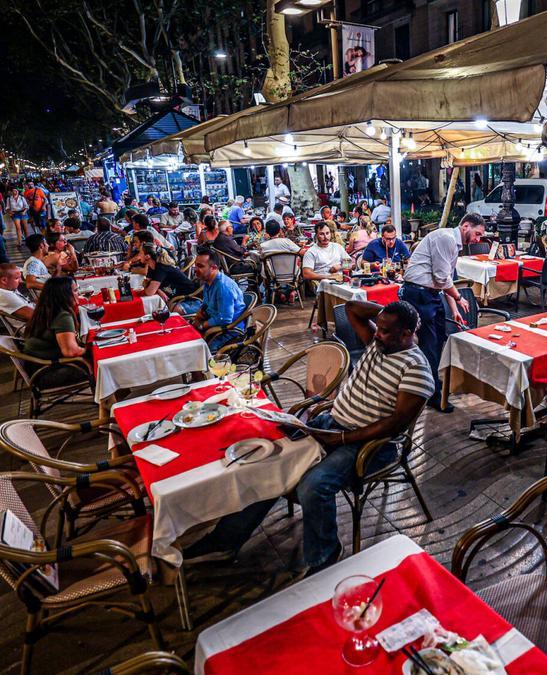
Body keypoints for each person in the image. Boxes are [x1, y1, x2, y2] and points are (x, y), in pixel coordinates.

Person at [182, 300, 433, 568]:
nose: (376, 333)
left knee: (314, 486)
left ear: (407, 334)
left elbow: (396, 424)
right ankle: (225, 541)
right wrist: (387, 313)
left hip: (368, 445)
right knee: (269, 459)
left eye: (384, 330)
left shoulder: (416, 368)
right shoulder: (379, 344)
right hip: (330, 423)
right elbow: (351, 309)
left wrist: (343, 439)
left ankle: (325, 556)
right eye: (378, 327)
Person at [401, 212, 486, 411]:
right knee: (429, 344)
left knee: (439, 340)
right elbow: (442, 278)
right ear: (465, 226)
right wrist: (459, 297)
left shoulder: (455, 245)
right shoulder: (446, 238)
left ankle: (434, 385)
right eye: (477, 234)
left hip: (431, 294)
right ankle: (431, 394)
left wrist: (454, 310)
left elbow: (446, 280)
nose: (477, 239)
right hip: (418, 293)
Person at [21, 277, 91, 389]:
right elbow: (71, 352)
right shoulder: (62, 316)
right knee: (104, 362)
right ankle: (109, 403)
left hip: (37, 368)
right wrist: (91, 348)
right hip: (48, 374)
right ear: (64, 294)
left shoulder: (45, 310)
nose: (79, 294)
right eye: (75, 290)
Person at [189, 250, 247, 350]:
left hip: (229, 330)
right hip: (214, 323)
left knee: (201, 350)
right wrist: (200, 313)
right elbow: (206, 304)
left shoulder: (223, 287)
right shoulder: (208, 281)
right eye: (196, 266)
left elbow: (225, 318)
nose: (195, 269)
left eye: (200, 266)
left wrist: (202, 325)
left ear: (214, 267)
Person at [136, 243, 199, 311]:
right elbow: (146, 283)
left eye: (140, 253)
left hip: (189, 299)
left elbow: (149, 292)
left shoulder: (161, 268)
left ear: (147, 256)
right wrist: (158, 290)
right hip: (174, 296)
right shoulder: (152, 267)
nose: (138, 255)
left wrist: (154, 288)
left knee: (158, 309)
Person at [0, 263, 35, 330]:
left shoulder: (1, 289)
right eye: (16, 278)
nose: (20, 281)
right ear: (4, 280)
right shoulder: (5, 296)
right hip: (34, 329)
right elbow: (35, 316)